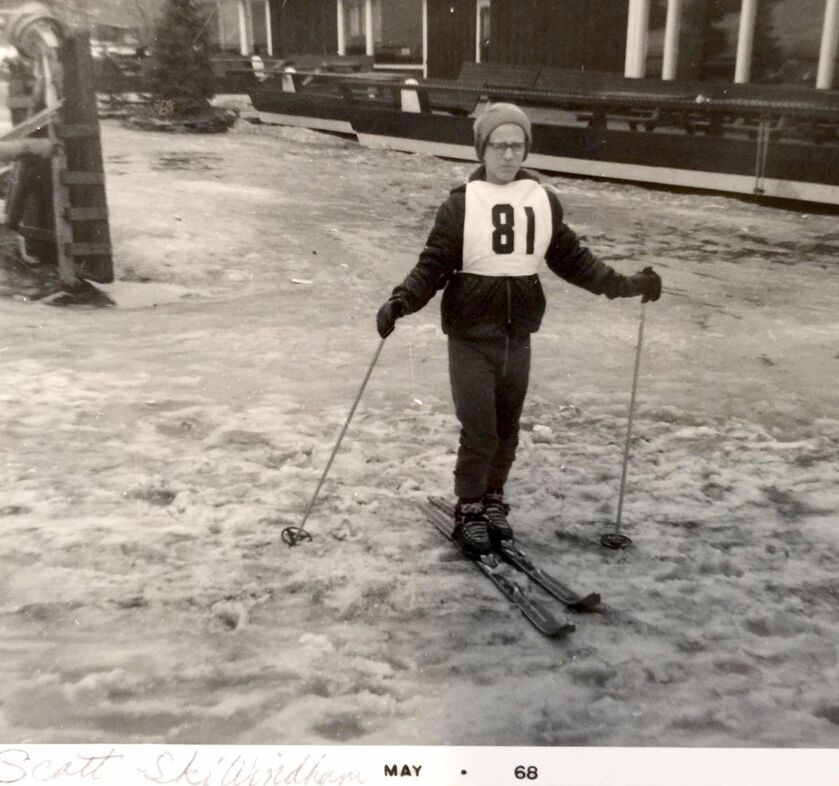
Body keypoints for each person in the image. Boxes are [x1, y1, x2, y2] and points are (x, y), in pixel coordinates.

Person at [376, 103, 661, 557]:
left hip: (517, 335)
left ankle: (493, 499)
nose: (508, 155)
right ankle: (469, 506)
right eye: (498, 145)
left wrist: (627, 285)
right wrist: (401, 301)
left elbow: (575, 260)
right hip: (470, 335)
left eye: (516, 145)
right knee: (480, 429)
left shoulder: (542, 201)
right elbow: (432, 266)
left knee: (507, 429)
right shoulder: (461, 205)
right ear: (482, 149)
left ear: (526, 148)